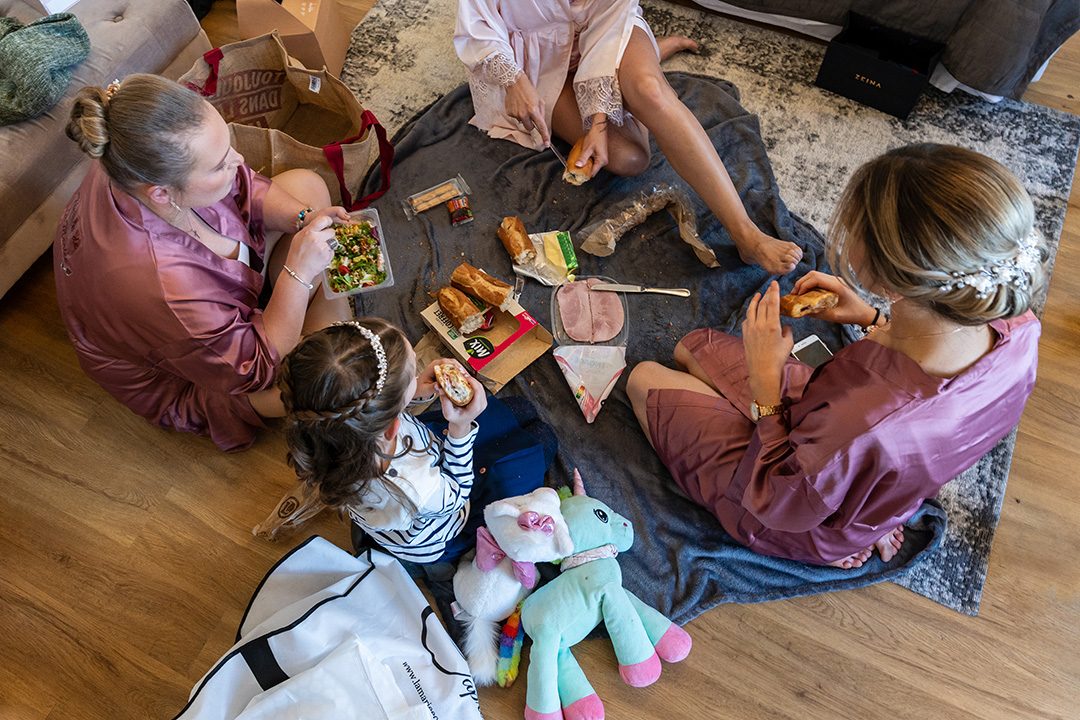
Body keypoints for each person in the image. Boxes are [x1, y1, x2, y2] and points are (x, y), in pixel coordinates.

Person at [626, 144, 1046, 568]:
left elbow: (775, 499)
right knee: (693, 346)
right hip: (861, 476)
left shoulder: (864, 419)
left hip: (790, 510)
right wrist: (870, 316)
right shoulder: (1021, 329)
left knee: (643, 379)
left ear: (889, 275)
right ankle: (864, 527)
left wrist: (765, 379)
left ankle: (829, 550)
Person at [55, 73, 351, 452]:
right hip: (201, 370)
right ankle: (335, 333)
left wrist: (302, 220)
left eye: (228, 146)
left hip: (205, 313)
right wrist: (297, 271)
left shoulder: (130, 153)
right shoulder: (160, 285)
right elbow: (255, 369)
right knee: (318, 377)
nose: (239, 160)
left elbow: (244, 183)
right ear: (161, 193)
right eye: (218, 166)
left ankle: (325, 326)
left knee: (306, 189)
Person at [454, 0, 803, 275]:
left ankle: (746, 234)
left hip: (610, 36)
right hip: (538, 57)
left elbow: (608, 28)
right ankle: (649, 60)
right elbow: (475, 23)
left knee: (650, 92)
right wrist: (514, 80)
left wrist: (598, 123)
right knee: (629, 158)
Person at [277, 318, 557, 566]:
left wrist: (412, 394)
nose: (418, 373)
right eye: (412, 375)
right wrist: (459, 428)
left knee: (520, 408)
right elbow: (457, 493)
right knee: (543, 438)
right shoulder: (416, 486)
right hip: (446, 519)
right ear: (390, 426)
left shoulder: (331, 431)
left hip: (421, 462)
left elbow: (374, 417)